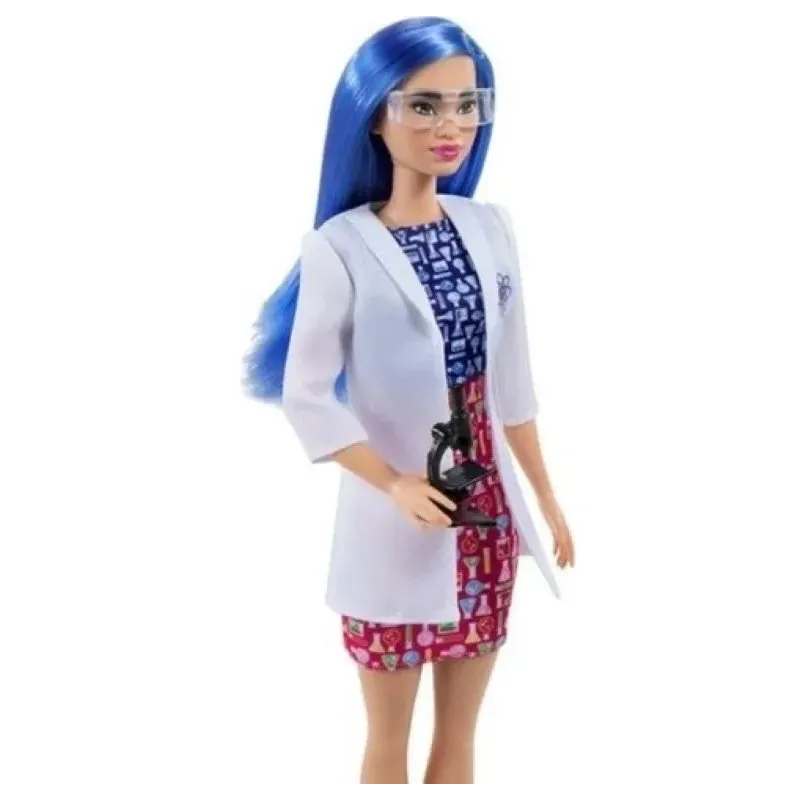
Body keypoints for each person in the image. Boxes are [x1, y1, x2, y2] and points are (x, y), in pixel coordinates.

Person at [243, 16, 575, 784]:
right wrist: (393, 483)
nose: (449, 125)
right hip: (398, 513)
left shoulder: (491, 228)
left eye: (465, 105)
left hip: (486, 512)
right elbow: (307, 395)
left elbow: (513, 383)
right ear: (375, 116)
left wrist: (546, 496)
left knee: (459, 739)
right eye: (423, 106)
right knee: (387, 740)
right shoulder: (339, 246)